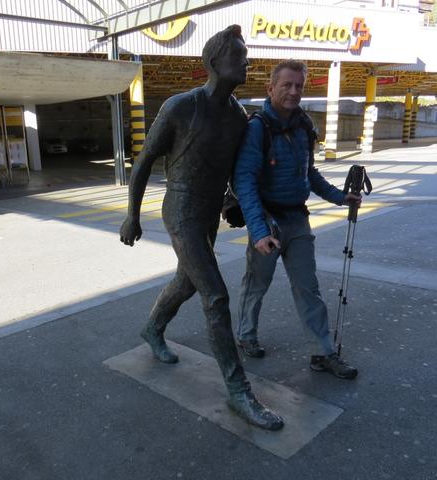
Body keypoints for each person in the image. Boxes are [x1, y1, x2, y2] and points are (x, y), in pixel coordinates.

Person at [119, 26, 284, 430]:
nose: (247, 62)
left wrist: (231, 201)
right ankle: (239, 392)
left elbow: (231, 169)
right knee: (214, 296)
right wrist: (132, 215)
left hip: (208, 210)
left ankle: (152, 328)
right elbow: (142, 163)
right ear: (215, 63)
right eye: (240, 56)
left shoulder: (238, 117)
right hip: (180, 209)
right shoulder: (180, 107)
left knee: (188, 281)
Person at [233, 59, 359, 379]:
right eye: (286, 85)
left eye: (299, 86)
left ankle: (324, 352)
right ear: (270, 88)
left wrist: (338, 197)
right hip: (268, 221)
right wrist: (259, 232)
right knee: (257, 282)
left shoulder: (303, 125)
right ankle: (246, 335)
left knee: (308, 287)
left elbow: (309, 173)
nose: (293, 91)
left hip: (298, 220)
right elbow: (244, 181)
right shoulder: (257, 128)